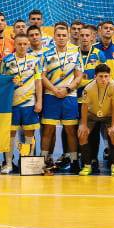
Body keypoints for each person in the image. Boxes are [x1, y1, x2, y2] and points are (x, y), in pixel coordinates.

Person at [41, 23, 82, 173]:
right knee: (48, 130)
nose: (61, 38)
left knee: (70, 130)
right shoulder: (46, 55)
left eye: (64, 35)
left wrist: (67, 89)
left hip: (69, 97)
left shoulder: (76, 54)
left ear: (68, 37)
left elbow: (79, 77)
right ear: (54, 37)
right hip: (50, 96)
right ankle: (44, 161)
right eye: (58, 35)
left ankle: (74, 161)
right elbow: (42, 76)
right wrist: (54, 90)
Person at [1, 31, 42, 175]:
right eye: (19, 44)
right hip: (11, 104)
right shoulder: (7, 61)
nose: (22, 46)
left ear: (28, 44)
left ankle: (27, 163)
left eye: (25, 44)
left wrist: (39, 102)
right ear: (15, 44)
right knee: (10, 135)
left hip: (29, 104)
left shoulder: (35, 60)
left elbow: (38, 82)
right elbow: (2, 83)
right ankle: (8, 164)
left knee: (29, 134)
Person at [78, 63, 114, 176]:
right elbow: (84, 107)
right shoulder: (88, 88)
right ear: (95, 77)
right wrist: (83, 125)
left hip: (108, 116)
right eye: (100, 76)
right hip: (92, 115)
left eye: (106, 76)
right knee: (82, 134)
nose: (103, 79)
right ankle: (87, 166)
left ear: (109, 76)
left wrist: (113, 125)